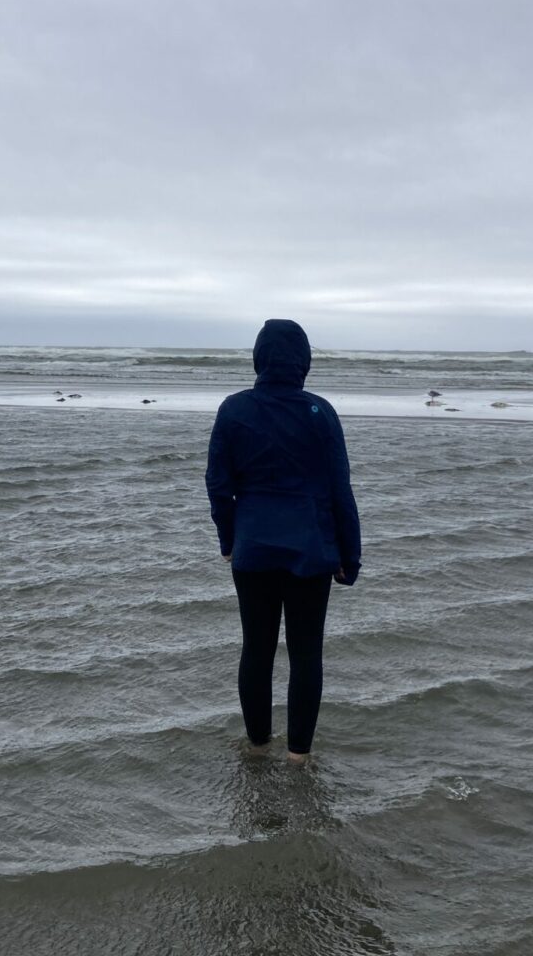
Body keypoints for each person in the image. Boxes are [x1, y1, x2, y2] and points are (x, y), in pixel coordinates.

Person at [205, 319, 362, 765]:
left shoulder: (234, 409)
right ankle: (298, 758)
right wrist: (349, 554)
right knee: (306, 652)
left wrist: (227, 538)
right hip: (311, 550)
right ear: (304, 361)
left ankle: (257, 747)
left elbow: (218, 484)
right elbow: (340, 490)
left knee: (256, 647)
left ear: (258, 358)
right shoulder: (320, 411)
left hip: (252, 547)